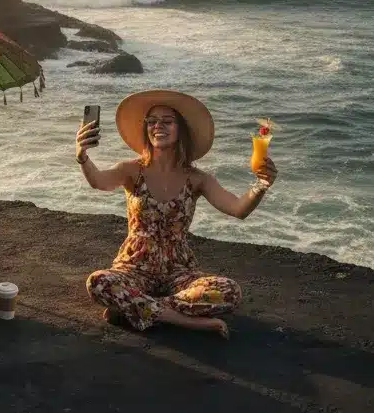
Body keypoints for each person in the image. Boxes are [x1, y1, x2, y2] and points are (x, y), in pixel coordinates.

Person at [77, 90, 277, 339]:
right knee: (98, 282)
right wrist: (83, 156)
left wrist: (261, 184)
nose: (157, 126)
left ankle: (136, 308)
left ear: (181, 129)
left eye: (167, 121)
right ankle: (184, 321)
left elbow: (238, 209)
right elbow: (98, 181)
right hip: (134, 268)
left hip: (179, 272)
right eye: (152, 121)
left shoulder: (197, 179)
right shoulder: (131, 170)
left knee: (230, 291)